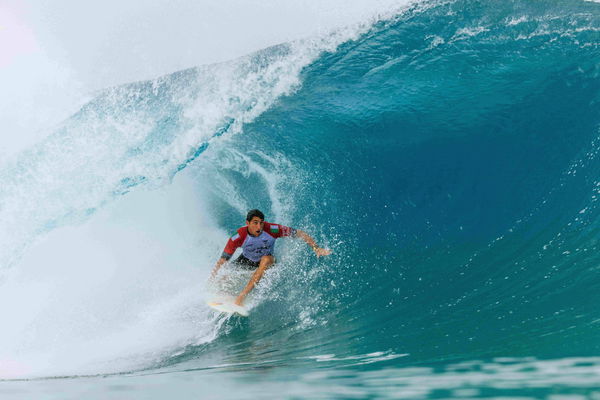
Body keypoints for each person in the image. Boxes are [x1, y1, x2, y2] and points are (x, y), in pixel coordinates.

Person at [209, 209, 332, 306]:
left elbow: (299, 233)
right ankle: (216, 294)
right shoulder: (239, 235)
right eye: (255, 223)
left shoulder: (272, 229)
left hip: (267, 260)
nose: (259, 227)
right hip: (246, 259)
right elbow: (222, 260)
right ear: (248, 223)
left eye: (261, 223)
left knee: (266, 259)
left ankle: (241, 297)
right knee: (225, 275)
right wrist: (212, 279)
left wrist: (316, 248)